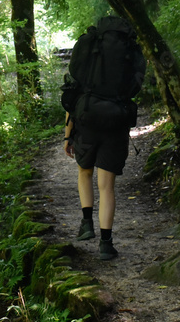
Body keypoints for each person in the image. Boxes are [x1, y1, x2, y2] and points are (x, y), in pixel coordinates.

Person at [61, 15, 146, 260]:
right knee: (107, 186)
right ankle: (106, 244)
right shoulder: (128, 52)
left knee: (84, 171)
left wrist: (68, 137)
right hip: (116, 120)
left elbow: (72, 94)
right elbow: (135, 86)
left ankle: (86, 223)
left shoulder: (90, 50)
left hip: (86, 118)